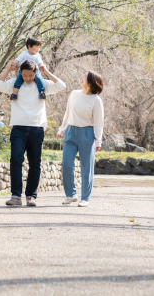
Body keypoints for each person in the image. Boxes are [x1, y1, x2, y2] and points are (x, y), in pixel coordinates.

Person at [0, 59, 65, 206]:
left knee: (35, 163)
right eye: (25, 75)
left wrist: (46, 72)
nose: (27, 78)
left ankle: (31, 196)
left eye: (31, 76)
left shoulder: (42, 84)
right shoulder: (15, 83)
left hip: (37, 128)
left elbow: (61, 85)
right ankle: (15, 196)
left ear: (35, 73)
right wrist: (7, 69)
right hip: (18, 128)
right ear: (20, 73)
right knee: (16, 159)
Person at [56, 71, 104, 207]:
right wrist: (62, 129)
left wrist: (98, 140)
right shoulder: (74, 94)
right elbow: (68, 113)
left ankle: (85, 198)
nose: (81, 78)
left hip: (87, 133)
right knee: (66, 164)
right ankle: (71, 195)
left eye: (85, 77)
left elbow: (99, 122)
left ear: (91, 82)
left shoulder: (96, 100)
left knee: (86, 168)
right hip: (71, 132)